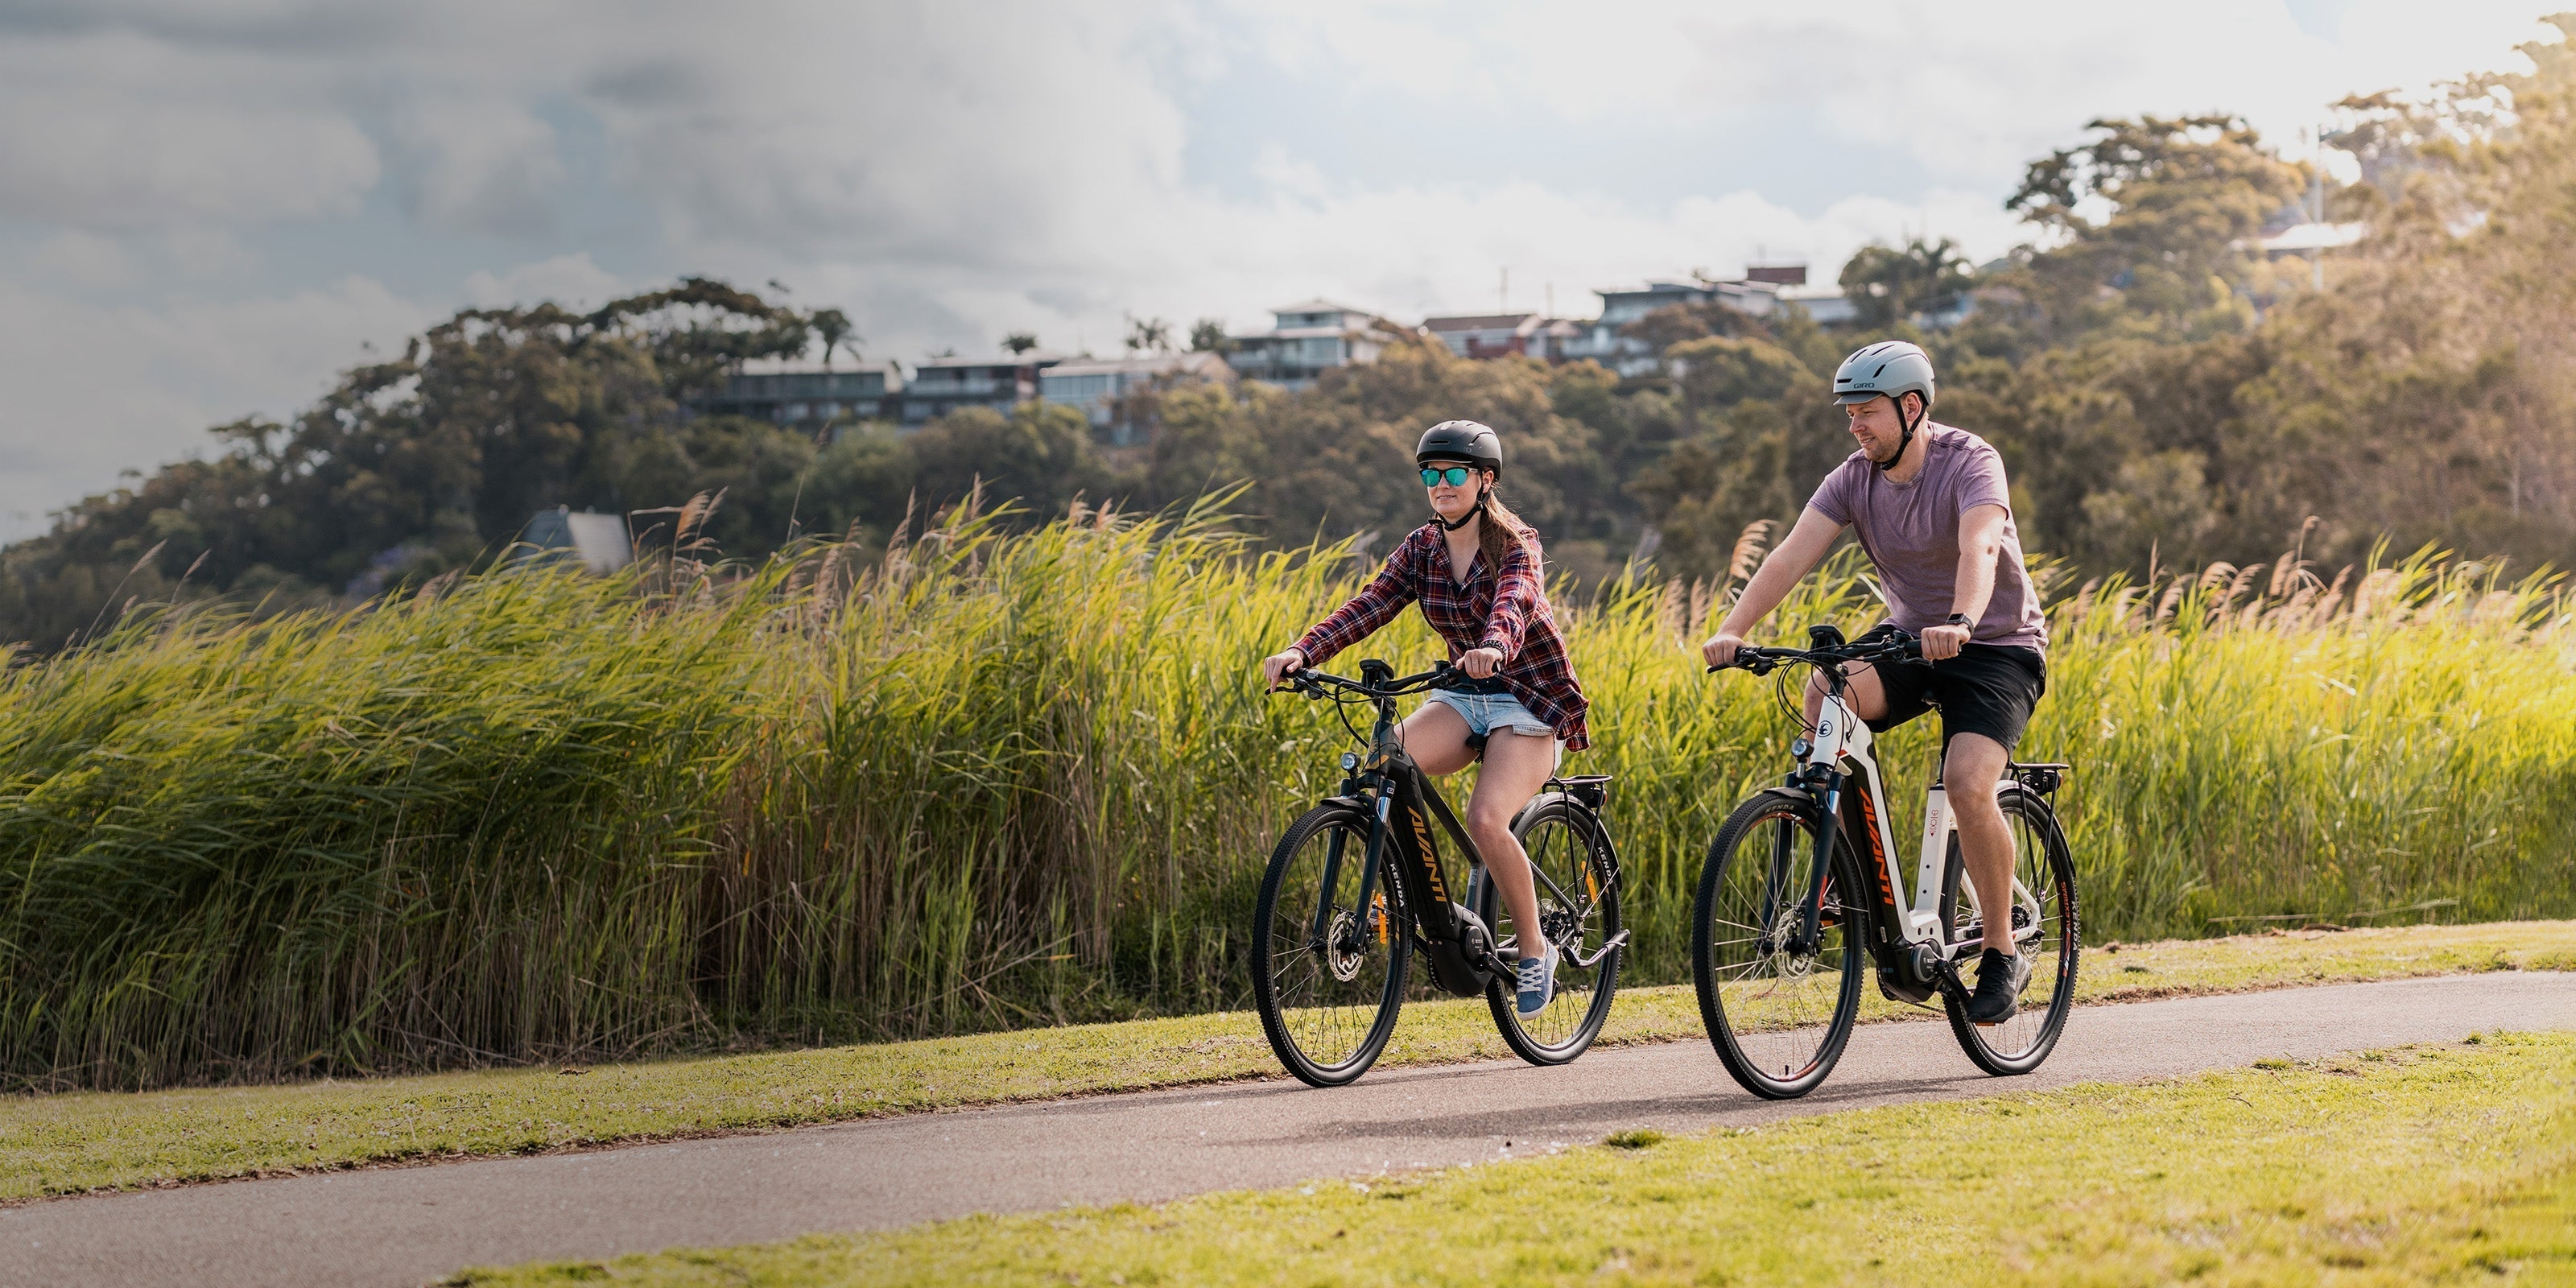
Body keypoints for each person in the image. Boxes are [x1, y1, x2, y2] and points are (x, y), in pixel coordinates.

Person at [1699, 341, 2047, 1024]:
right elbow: (1791, 553)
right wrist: (1732, 629)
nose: (1855, 425)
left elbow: (1979, 544)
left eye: (1867, 412)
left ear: (1911, 408)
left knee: (1969, 780)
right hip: (1913, 642)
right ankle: (1842, 863)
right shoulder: (1852, 478)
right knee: (1827, 690)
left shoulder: (1971, 462)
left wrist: (1962, 619)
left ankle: (2002, 951)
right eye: (1848, 413)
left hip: (1995, 645)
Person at [1261, 419, 1591, 1018]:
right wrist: (1302, 651)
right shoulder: (1423, 547)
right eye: (1429, 473)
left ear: (1485, 480)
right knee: (1384, 766)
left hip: (1527, 699)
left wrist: (1493, 646)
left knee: (1487, 817)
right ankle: (1413, 901)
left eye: (1453, 473)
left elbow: (1514, 604)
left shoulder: (1517, 543)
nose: (1440, 483)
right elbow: (1373, 602)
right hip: (1464, 694)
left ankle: (1536, 949)